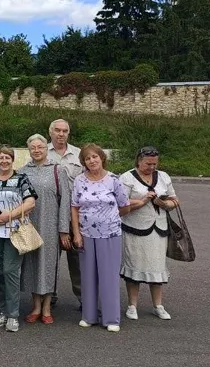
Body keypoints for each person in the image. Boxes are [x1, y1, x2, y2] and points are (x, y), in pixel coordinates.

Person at [72, 144, 130, 333]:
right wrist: (76, 233)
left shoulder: (114, 179)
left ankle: (111, 318)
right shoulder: (79, 180)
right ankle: (89, 316)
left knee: (108, 276)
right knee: (88, 276)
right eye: (88, 159)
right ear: (84, 162)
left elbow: (125, 205)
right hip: (86, 234)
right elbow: (74, 207)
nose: (92, 161)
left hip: (110, 234)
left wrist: (109, 218)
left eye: (95, 157)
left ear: (101, 158)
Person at [120, 146, 179, 321]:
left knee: (157, 267)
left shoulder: (163, 176)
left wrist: (166, 204)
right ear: (139, 160)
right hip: (134, 229)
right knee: (134, 266)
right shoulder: (127, 177)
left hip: (159, 228)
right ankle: (132, 306)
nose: (152, 167)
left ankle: (158, 305)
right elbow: (121, 202)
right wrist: (143, 200)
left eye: (155, 163)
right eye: (148, 163)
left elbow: (174, 199)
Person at [0, 146, 36, 332]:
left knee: (10, 271)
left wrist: (9, 215)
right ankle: (3, 312)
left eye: (7, 157)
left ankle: (13, 315)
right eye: (0, 158)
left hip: (15, 232)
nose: (4, 161)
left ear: (12, 160)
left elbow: (30, 202)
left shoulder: (21, 178)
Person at [19, 134, 71, 324]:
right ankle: (36, 306)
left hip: (51, 225)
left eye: (40, 147)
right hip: (30, 225)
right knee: (32, 265)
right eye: (33, 147)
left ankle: (47, 307)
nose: (37, 150)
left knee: (48, 265)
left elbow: (65, 201)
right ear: (29, 150)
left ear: (45, 148)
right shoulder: (23, 171)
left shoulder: (58, 171)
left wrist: (63, 229)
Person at [47, 118, 83, 307]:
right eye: (57, 130)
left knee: (77, 258)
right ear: (50, 132)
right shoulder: (41, 153)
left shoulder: (78, 154)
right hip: (50, 213)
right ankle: (49, 296)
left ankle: (83, 297)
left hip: (74, 213)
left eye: (65, 131)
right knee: (50, 256)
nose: (61, 134)